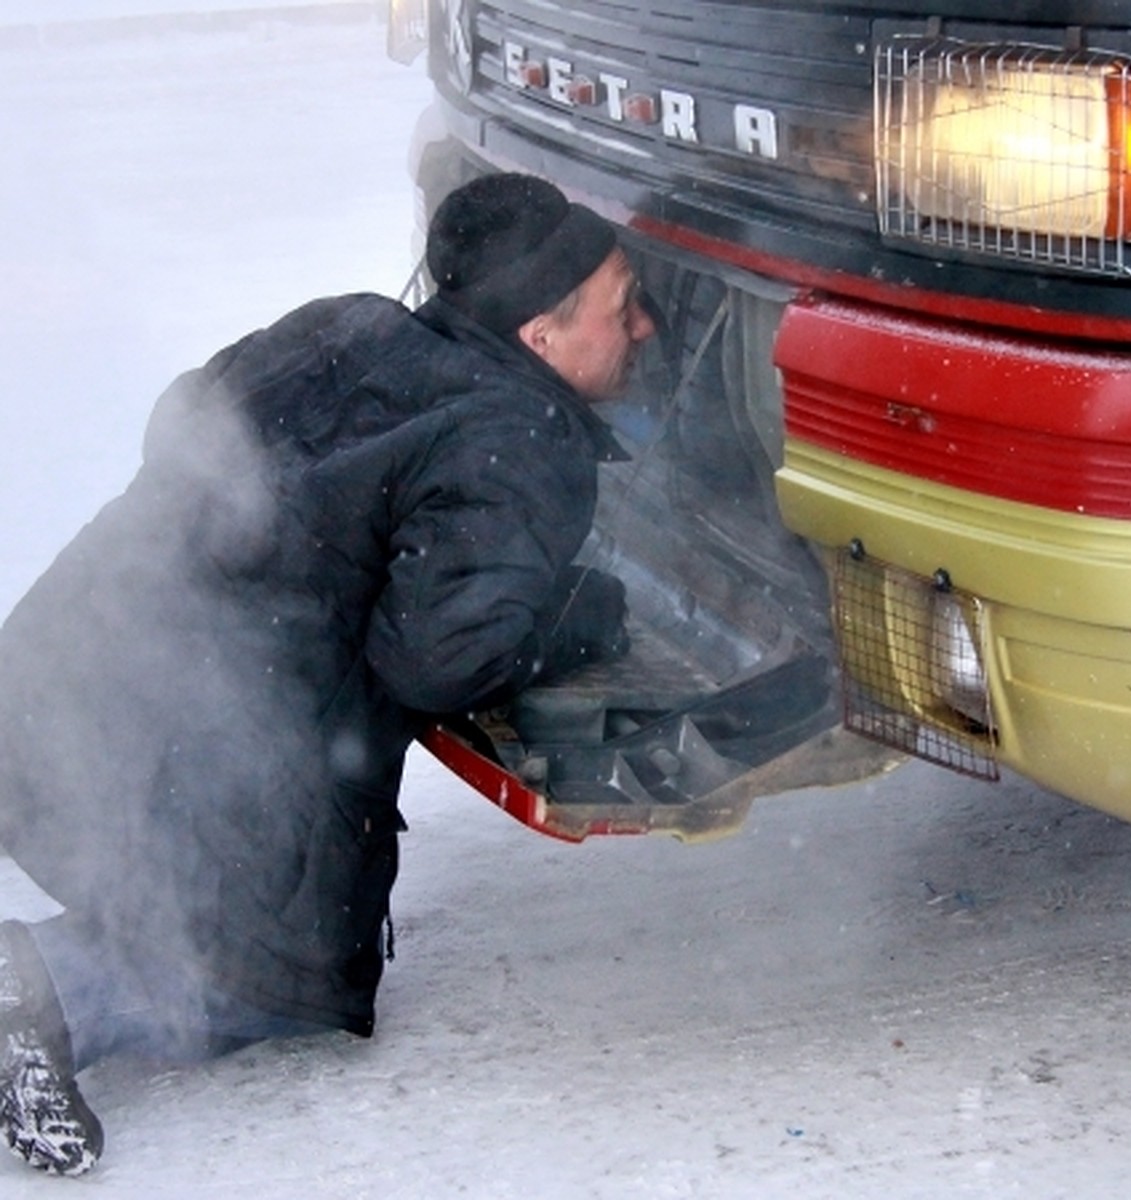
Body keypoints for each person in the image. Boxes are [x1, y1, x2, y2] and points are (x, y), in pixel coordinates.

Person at [0, 172, 656, 1176]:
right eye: (623, 308)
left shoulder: (347, 323)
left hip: (54, 681)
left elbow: (181, 421)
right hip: (192, 760)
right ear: (540, 334)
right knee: (266, 975)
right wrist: (579, 614)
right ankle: (40, 987)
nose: (644, 328)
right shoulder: (514, 441)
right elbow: (440, 658)